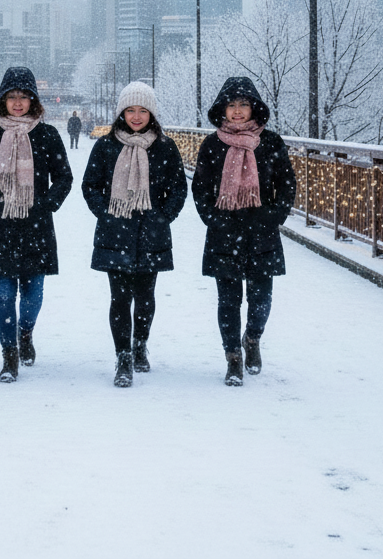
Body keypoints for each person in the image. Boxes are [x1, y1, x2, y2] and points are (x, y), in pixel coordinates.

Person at [0, 66, 73, 382]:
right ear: (2, 100)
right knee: (2, 293)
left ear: (33, 100)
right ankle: (8, 353)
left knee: (33, 294)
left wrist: (46, 204)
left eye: (23, 96)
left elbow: (64, 176)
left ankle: (25, 332)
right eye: (11, 96)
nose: (17, 102)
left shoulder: (48, 135)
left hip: (36, 226)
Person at [191, 76, 296, 387]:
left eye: (243, 105)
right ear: (223, 109)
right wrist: (213, 218)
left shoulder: (271, 142)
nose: (237, 111)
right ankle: (233, 356)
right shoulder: (212, 144)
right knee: (228, 299)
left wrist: (274, 216)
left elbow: (287, 184)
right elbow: (200, 188)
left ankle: (252, 338)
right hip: (225, 231)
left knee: (262, 298)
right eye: (232, 105)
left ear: (254, 108)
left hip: (262, 231)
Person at [81, 82, 187, 387]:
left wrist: (163, 216)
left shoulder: (165, 147)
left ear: (151, 113)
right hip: (116, 233)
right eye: (131, 110)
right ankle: (123, 356)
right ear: (121, 113)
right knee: (119, 297)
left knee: (145, 297)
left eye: (143, 110)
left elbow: (179, 188)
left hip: (152, 233)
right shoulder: (105, 146)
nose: (137, 116)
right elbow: (90, 186)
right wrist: (106, 213)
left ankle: (140, 344)